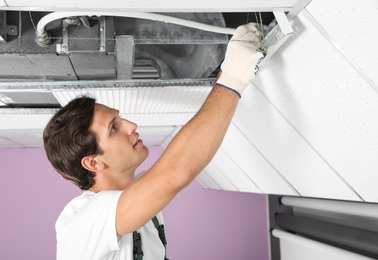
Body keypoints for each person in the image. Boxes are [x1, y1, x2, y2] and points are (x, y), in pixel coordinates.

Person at [43, 23, 264, 260]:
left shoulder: (140, 191)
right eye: (114, 128)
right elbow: (175, 173)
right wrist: (232, 78)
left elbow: (173, 170)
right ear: (93, 163)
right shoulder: (79, 222)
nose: (131, 126)